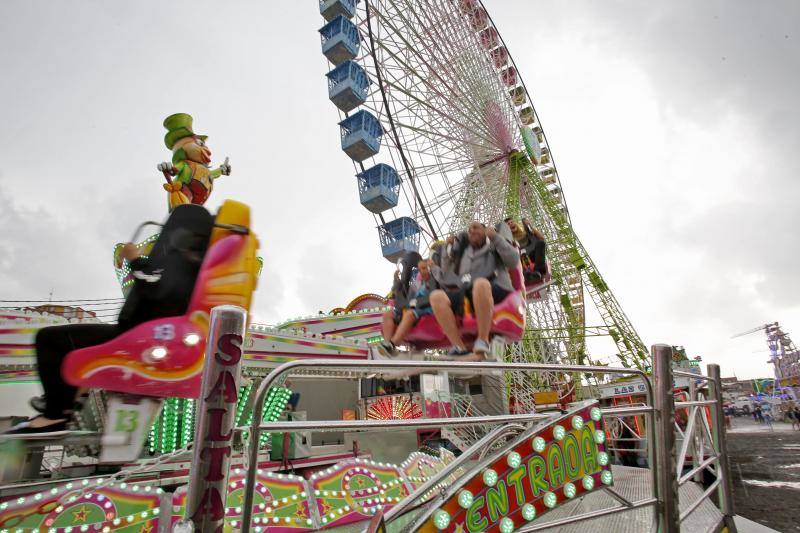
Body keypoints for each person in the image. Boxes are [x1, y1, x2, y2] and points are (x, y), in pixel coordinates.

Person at [4, 205, 214, 436]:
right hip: (147, 335)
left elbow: (156, 286)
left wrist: (135, 259)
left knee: (50, 339)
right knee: (74, 345)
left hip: (142, 337)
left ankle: (55, 415)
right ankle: (67, 399)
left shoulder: (186, 258)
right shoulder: (200, 261)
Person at [429, 220, 520, 359]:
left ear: (485, 230)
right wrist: (447, 248)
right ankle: (458, 347)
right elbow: (447, 274)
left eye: (476, 227)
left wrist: (495, 237)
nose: (471, 231)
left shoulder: (494, 245)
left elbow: (513, 261)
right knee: (436, 297)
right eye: (469, 230)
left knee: (480, 284)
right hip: (467, 291)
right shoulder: (464, 253)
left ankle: (482, 340)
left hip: (495, 287)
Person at [377, 257, 439, 357]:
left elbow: (432, 295)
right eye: (420, 269)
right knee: (388, 312)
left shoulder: (434, 279)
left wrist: (412, 305)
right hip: (413, 308)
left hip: (427, 308)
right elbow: (407, 298)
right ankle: (387, 342)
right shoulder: (416, 285)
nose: (421, 272)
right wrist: (396, 281)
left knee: (410, 314)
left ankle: (392, 345)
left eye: (424, 268)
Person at [505, 218, 547, 283]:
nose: (511, 224)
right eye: (508, 224)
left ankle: (538, 271)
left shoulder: (526, 232)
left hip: (532, 256)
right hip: (519, 259)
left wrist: (530, 226)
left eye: (512, 222)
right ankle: (526, 275)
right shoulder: (508, 240)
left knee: (541, 243)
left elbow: (542, 238)